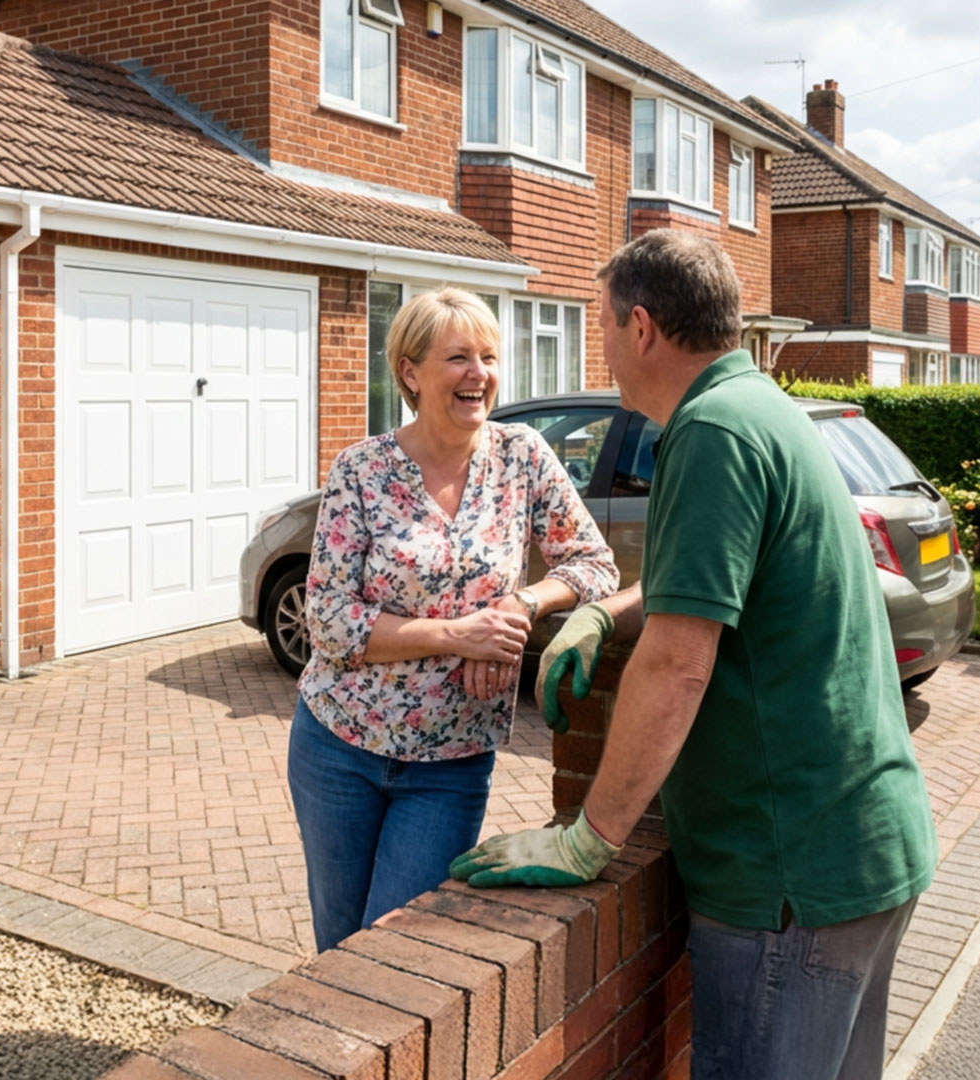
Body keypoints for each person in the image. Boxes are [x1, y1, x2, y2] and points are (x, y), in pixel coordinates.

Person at [449, 231, 937, 1080]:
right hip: (861, 850)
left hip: (788, 881)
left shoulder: (710, 431)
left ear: (642, 328)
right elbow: (722, 580)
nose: (602, 347)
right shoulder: (758, 406)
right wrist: (608, 611)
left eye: (601, 326)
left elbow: (678, 664)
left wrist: (587, 840)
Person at [293, 287, 618, 953]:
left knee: (395, 949)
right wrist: (456, 635)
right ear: (410, 371)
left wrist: (517, 605)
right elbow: (328, 621)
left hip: (451, 761)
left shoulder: (522, 457)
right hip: (337, 747)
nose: (480, 374)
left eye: (490, 357)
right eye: (459, 357)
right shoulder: (361, 470)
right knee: (336, 948)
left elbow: (593, 565)